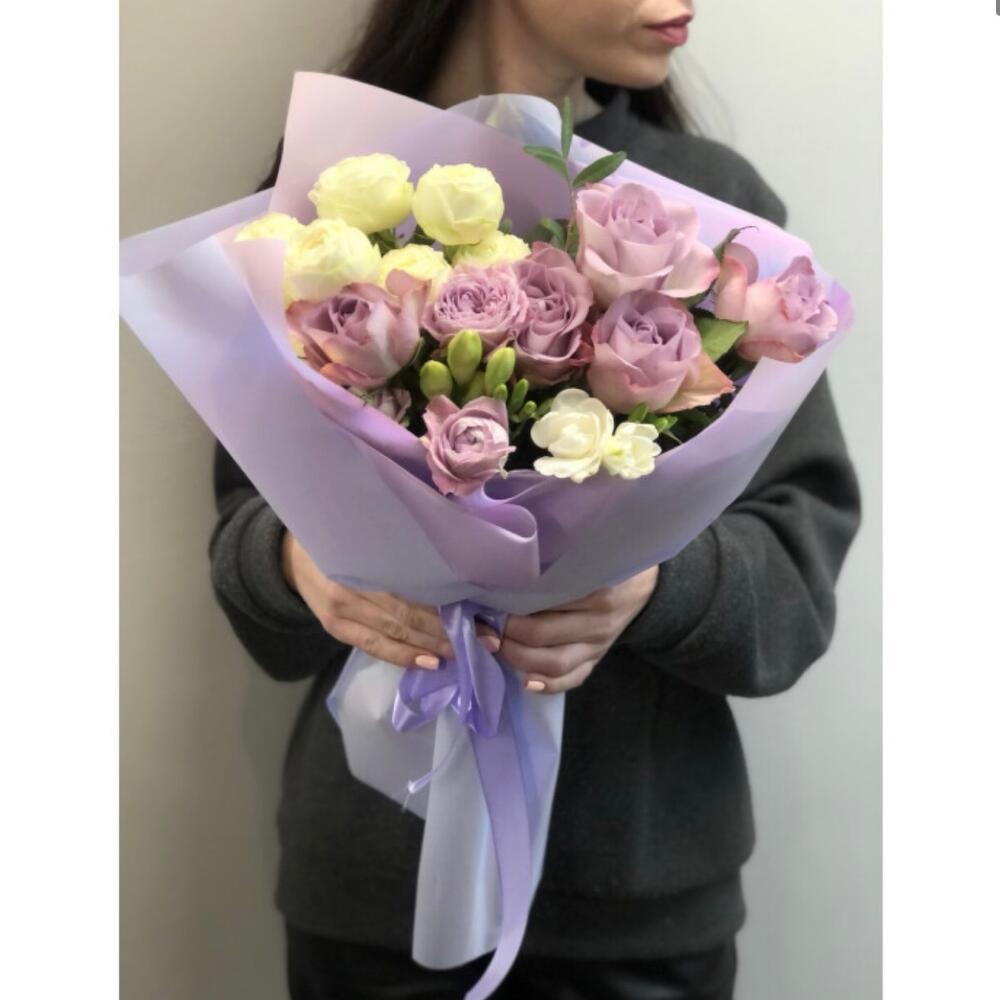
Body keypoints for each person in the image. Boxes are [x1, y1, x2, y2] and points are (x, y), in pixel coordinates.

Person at [210, 1, 861, 997]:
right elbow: (242, 547)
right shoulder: (326, 210)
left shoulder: (715, 222)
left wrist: (652, 585)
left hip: (636, 909)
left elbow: (794, 584)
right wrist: (301, 566)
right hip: (374, 900)